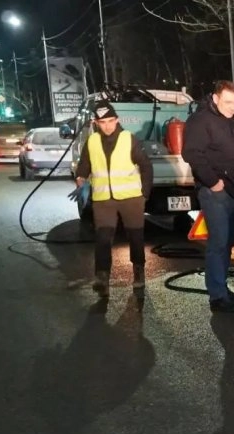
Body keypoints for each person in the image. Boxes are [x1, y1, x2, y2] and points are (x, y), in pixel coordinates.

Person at [182, 80, 234, 314]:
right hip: (215, 192)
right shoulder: (201, 121)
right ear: (215, 98)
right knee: (218, 243)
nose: (232, 107)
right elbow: (191, 153)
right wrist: (213, 182)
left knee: (227, 242)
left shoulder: (230, 122)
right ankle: (218, 296)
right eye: (228, 102)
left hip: (233, 191)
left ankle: (222, 288)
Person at [75, 100, 153, 299]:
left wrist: (145, 193)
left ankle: (139, 273)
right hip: (103, 199)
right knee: (103, 238)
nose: (107, 126)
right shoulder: (92, 141)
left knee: (135, 237)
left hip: (131, 198)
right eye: (103, 122)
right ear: (96, 123)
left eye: (111, 121)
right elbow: (84, 166)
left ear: (117, 120)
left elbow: (146, 166)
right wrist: (81, 180)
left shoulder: (129, 139)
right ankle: (102, 279)